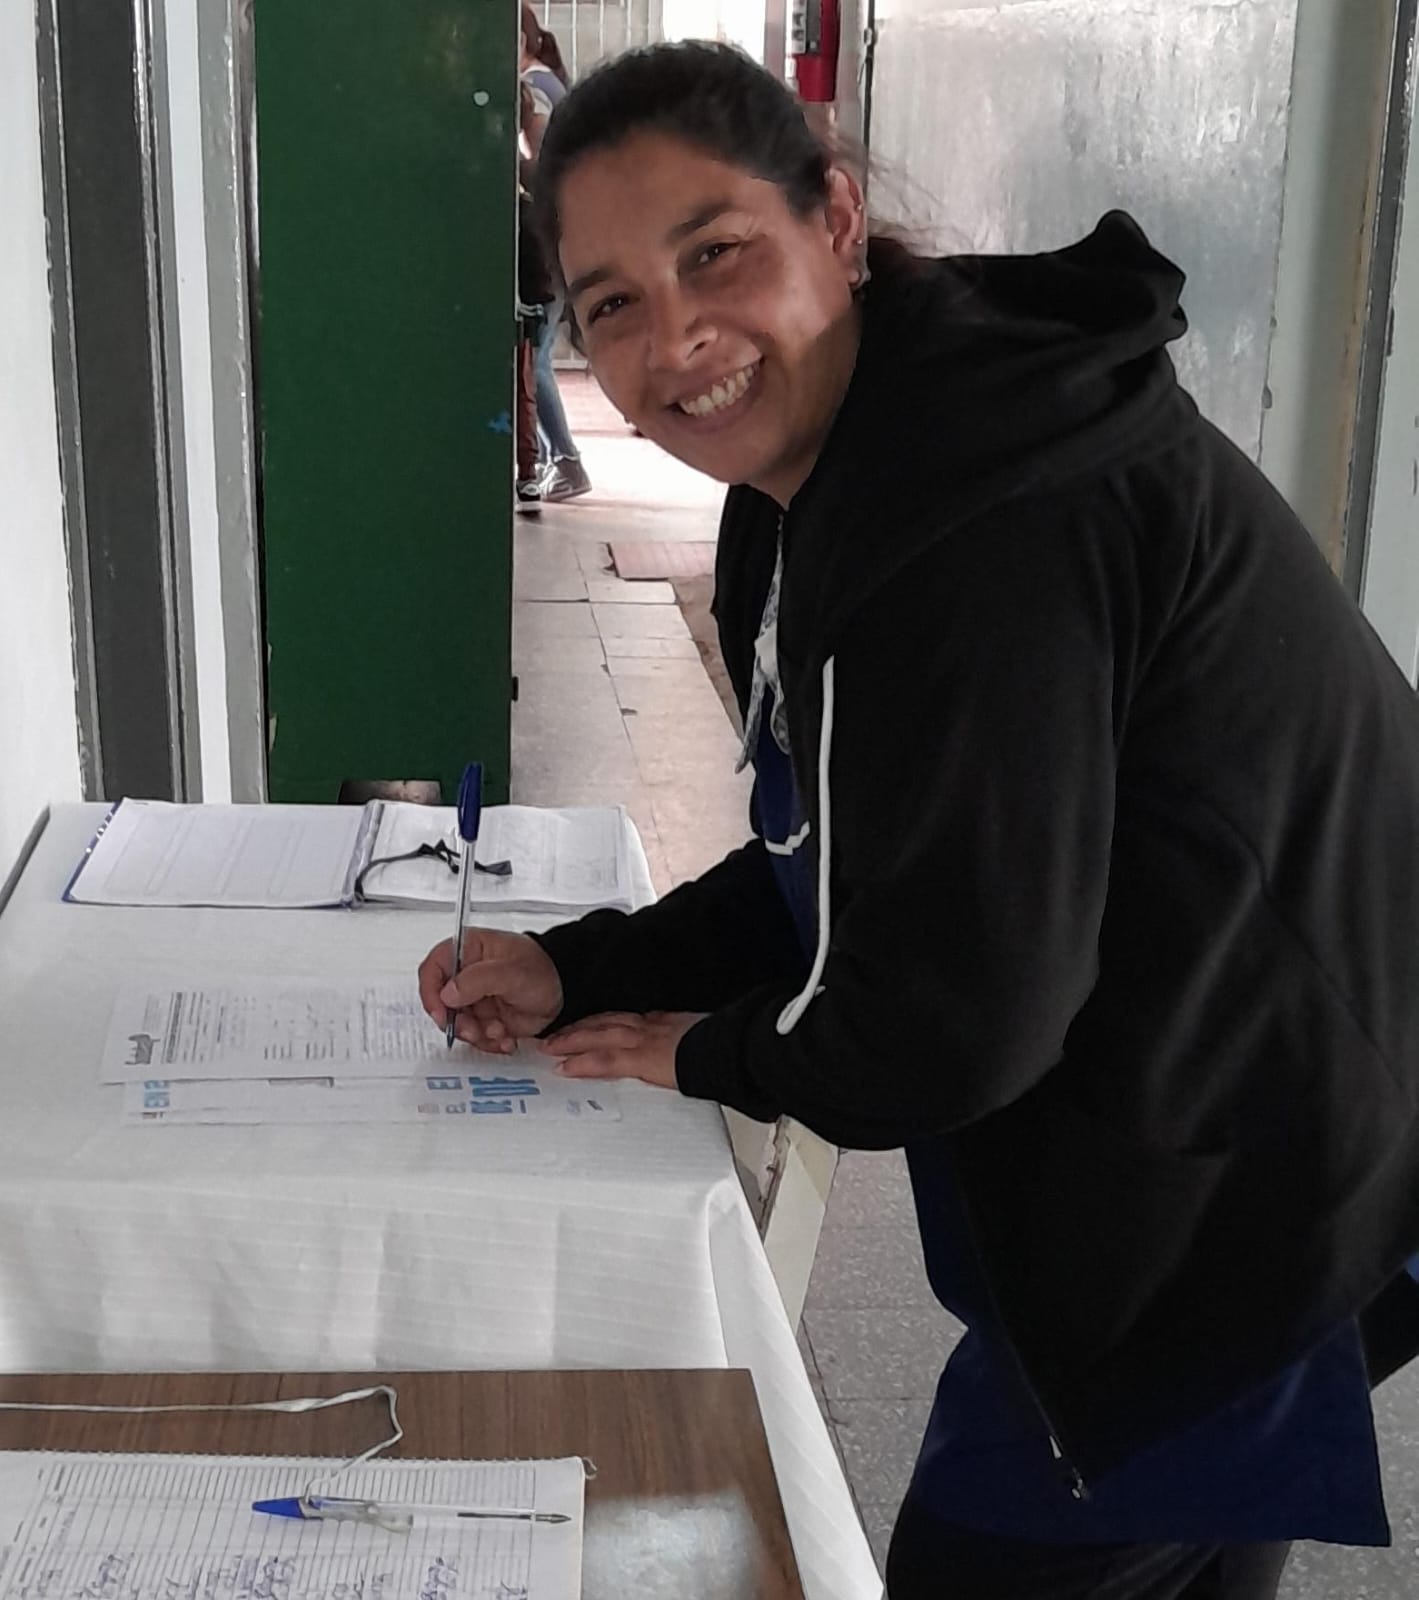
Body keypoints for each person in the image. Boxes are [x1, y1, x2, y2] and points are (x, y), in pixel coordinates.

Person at [419, 41, 1419, 1600]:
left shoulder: (976, 521)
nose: (674, 340)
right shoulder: (824, 479)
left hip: (1245, 1184)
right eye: (610, 302)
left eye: (713, 253)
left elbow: (949, 1026)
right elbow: (843, 856)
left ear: (832, 218)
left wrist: (711, 1050)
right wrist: (586, 964)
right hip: (1228, 1127)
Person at [519, 4, 591, 503]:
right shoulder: (544, 84)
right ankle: (551, 458)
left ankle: (565, 459)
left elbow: (542, 171)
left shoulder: (536, 89)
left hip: (546, 247)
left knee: (537, 360)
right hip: (552, 244)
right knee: (535, 358)